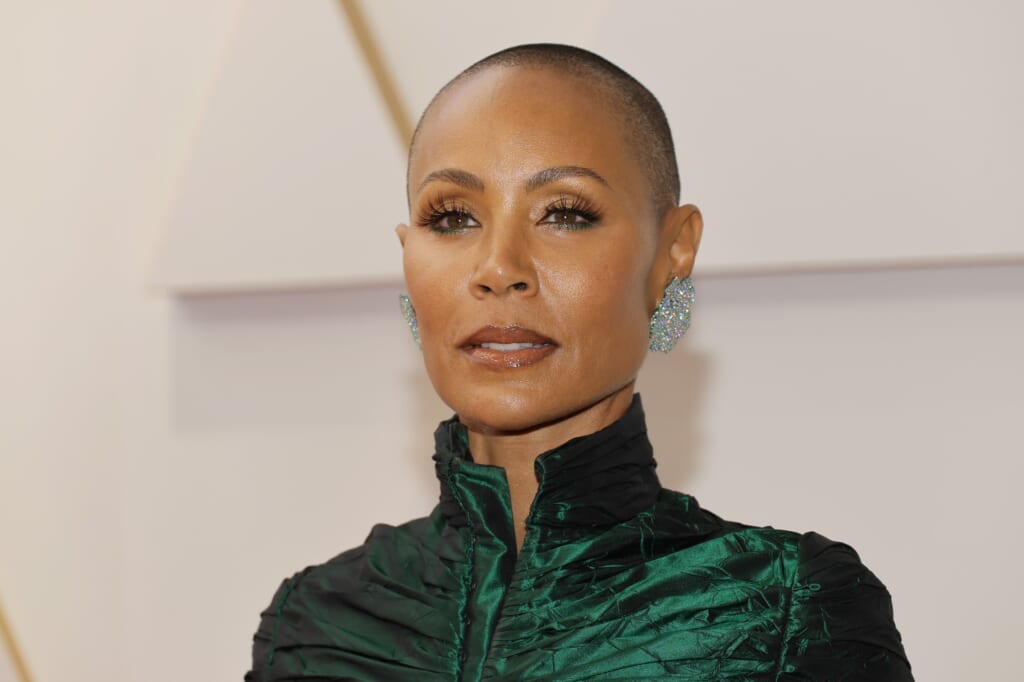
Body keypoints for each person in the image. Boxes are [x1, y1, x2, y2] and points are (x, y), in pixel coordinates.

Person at [245, 43, 912, 681]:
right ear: (407, 257)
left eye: (564, 214)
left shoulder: (787, 611)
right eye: (452, 219)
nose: (498, 268)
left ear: (673, 251)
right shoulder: (314, 626)